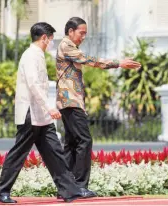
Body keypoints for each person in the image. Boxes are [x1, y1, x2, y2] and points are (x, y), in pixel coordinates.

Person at [0, 22, 92, 204]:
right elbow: (33, 85)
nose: (52, 44)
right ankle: (2, 191)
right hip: (30, 113)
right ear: (44, 38)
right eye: (51, 40)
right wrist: (49, 108)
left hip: (42, 116)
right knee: (19, 153)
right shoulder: (31, 55)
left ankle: (68, 191)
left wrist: (46, 110)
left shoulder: (38, 55)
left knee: (55, 153)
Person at [56, 17, 141, 197]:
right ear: (71, 31)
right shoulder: (66, 46)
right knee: (84, 141)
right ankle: (78, 186)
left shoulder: (69, 46)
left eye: (85, 33)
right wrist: (118, 63)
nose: (83, 37)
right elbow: (89, 60)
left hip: (69, 101)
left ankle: (66, 188)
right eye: (81, 33)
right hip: (71, 101)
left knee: (71, 144)